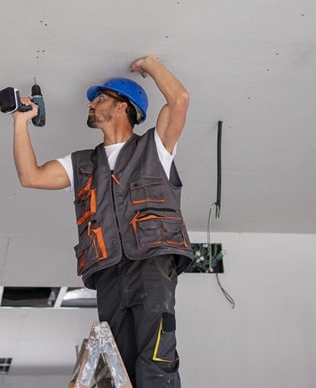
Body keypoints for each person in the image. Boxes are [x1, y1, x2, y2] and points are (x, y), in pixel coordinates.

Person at [11, 55, 192, 387]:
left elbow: (179, 99)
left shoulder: (155, 148)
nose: (91, 105)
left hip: (151, 263)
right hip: (107, 270)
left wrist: (150, 64)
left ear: (122, 107)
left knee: (155, 356)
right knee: (118, 364)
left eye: (100, 99)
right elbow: (30, 176)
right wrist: (21, 122)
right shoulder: (81, 164)